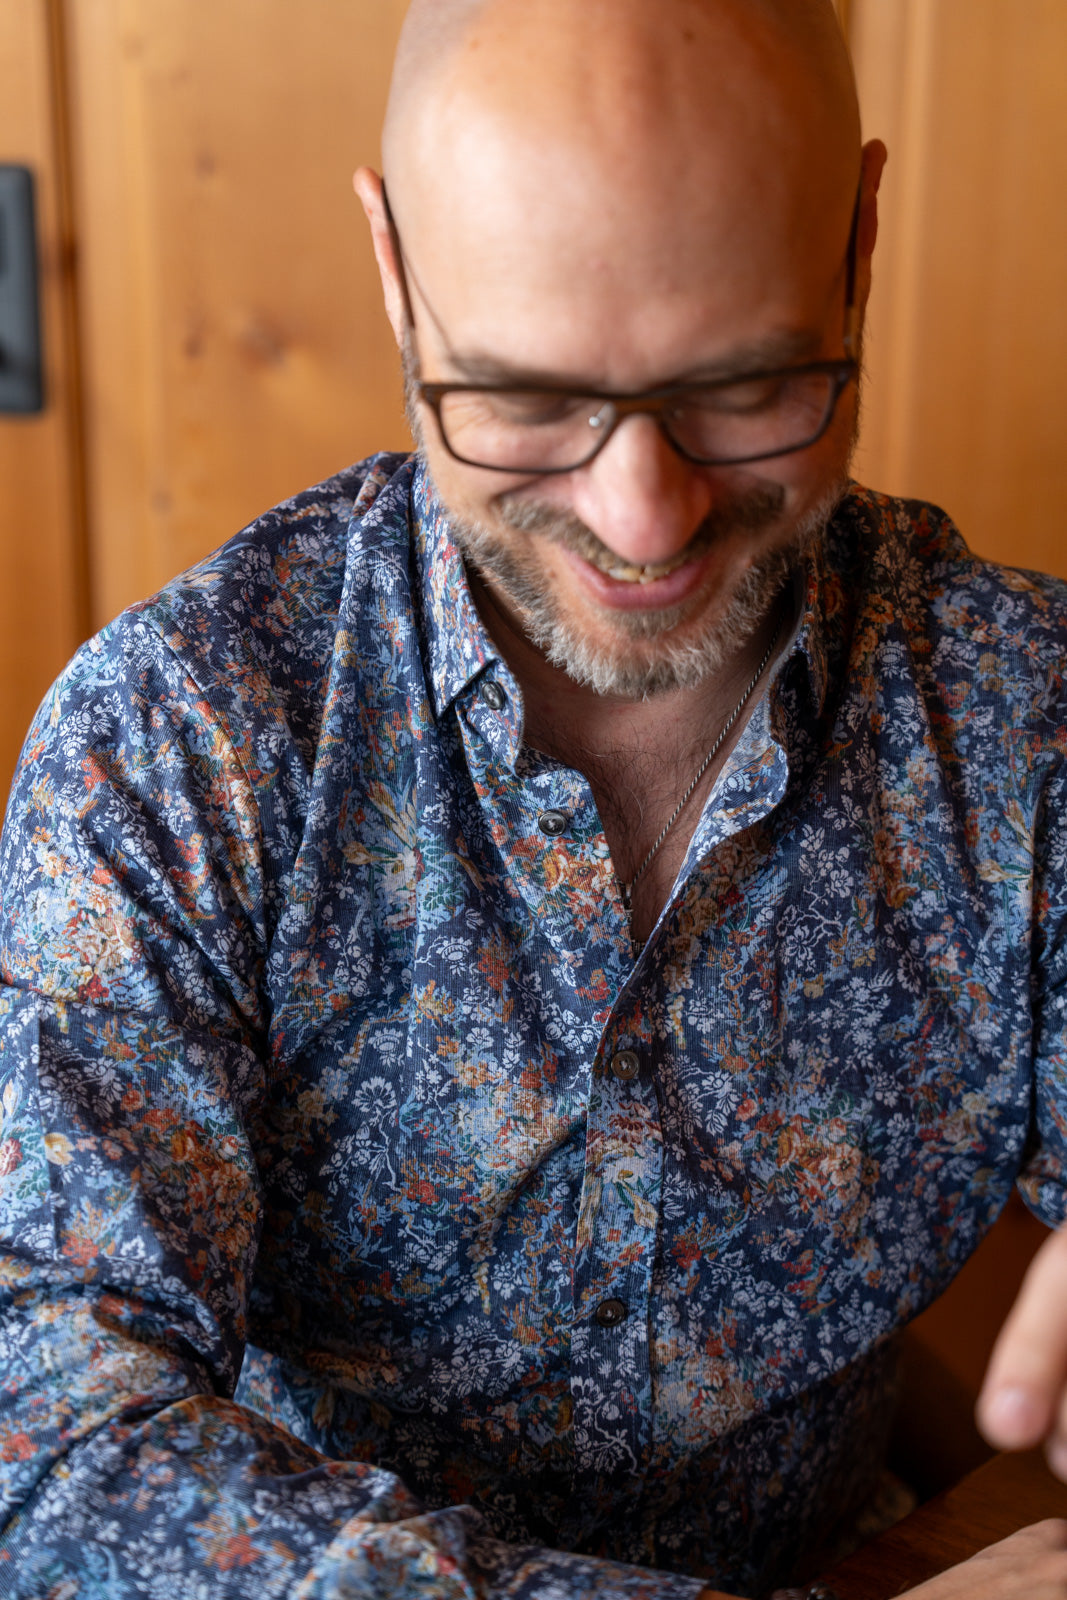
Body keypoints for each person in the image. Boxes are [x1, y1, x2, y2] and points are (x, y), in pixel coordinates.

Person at [1, 0, 1066, 1595]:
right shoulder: (177, 744)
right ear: (397, 272)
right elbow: (53, 1443)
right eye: (525, 398)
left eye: (748, 382)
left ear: (857, 235)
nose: (644, 514)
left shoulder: (1021, 722)